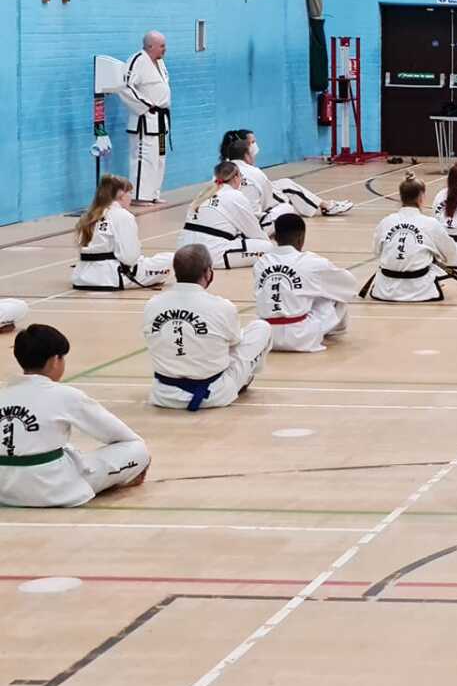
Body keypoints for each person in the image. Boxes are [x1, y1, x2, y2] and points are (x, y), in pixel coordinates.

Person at [0, 324, 150, 507]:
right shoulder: (65, 395)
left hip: (4, 489)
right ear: (55, 360)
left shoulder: (3, 394)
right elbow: (122, 436)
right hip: (52, 489)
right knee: (138, 449)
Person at [144, 245, 270, 411]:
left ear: (176, 272)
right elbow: (235, 343)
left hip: (164, 395)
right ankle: (246, 378)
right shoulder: (222, 306)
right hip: (214, 394)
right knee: (261, 328)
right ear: (208, 272)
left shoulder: (152, 304)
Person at [253, 214, 357, 352]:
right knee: (336, 295)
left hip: (266, 336)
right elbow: (350, 287)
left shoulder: (261, 262)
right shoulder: (313, 262)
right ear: (301, 238)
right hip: (301, 338)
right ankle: (334, 332)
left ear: (275, 237)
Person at [365, 175, 457, 302]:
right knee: (432, 256)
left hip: (385, 290)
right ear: (421, 197)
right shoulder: (430, 224)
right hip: (420, 290)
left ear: (401, 197)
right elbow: (451, 253)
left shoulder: (386, 221)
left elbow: (376, 252)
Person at [220, 129, 352, 219]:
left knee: (285, 183)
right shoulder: (243, 169)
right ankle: (326, 206)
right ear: (244, 147)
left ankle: (325, 204)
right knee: (287, 197)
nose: (255, 145)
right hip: (249, 209)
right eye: (252, 142)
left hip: (243, 203)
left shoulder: (227, 164)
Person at [72, 175, 172, 291]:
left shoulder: (87, 216)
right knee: (171, 259)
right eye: (130, 193)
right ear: (121, 194)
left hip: (83, 276)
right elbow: (129, 258)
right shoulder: (123, 216)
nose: (130, 197)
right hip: (112, 277)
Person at [178, 162, 269, 270]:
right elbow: (254, 232)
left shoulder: (204, 193)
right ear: (236, 178)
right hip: (210, 255)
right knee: (267, 247)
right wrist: (266, 241)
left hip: (183, 252)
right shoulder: (235, 195)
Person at [122, 30, 171, 204]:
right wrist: (144, 105)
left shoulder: (160, 62)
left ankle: (153, 193)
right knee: (144, 157)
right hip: (145, 119)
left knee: (159, 157)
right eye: (162, 46)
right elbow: (125, 86)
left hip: (161, 120)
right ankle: (139, 195)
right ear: (150, 46)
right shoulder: (137, 60)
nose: (165, 49)